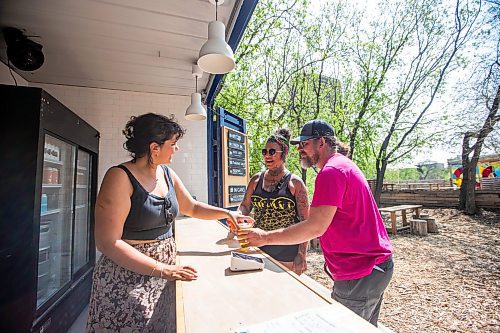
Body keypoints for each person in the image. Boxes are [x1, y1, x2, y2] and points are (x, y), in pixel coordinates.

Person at [86, 113, 248, 332]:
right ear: (155, 148)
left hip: (164, 274)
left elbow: (192, 207)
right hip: (126, 280)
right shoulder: (119, 177)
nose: (176, 149)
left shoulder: (166, 174)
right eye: (173, 144)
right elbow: (107, 242)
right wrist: (162, 269)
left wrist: (227, 214)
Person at [241, 119, 393, 327]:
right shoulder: (342, 166)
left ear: (321, 142)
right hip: (371, 268)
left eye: (304, 144)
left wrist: (265, 237)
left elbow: (314, 226)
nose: (300, 150)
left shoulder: (331, 172)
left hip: (360, 272)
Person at [237, 129, 310, 275]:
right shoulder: (256, 180)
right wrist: (238, 216)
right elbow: (245, 206)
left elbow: (305, 222)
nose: (267, 156)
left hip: (286, 251)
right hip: (257, 247)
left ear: (284, 153)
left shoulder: (295, 183)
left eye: (272, 152)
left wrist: (301, 254)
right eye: (265, 152)